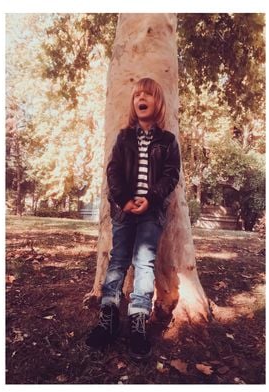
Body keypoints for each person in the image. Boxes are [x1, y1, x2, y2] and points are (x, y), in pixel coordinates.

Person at [86, 77, 180, 360]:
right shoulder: (124, 137)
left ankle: (138, 320)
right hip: (124, 210)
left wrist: (150, 198)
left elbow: (170, 175)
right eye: (137, 94)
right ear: (134, 103)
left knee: (144, 263)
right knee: (118, 260)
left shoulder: (167, 141)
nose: (141, 98)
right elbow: (113, 171)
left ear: (157, 102)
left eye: (148, 95)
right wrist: (124, 199)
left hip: (151, 212)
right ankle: (109, 317)